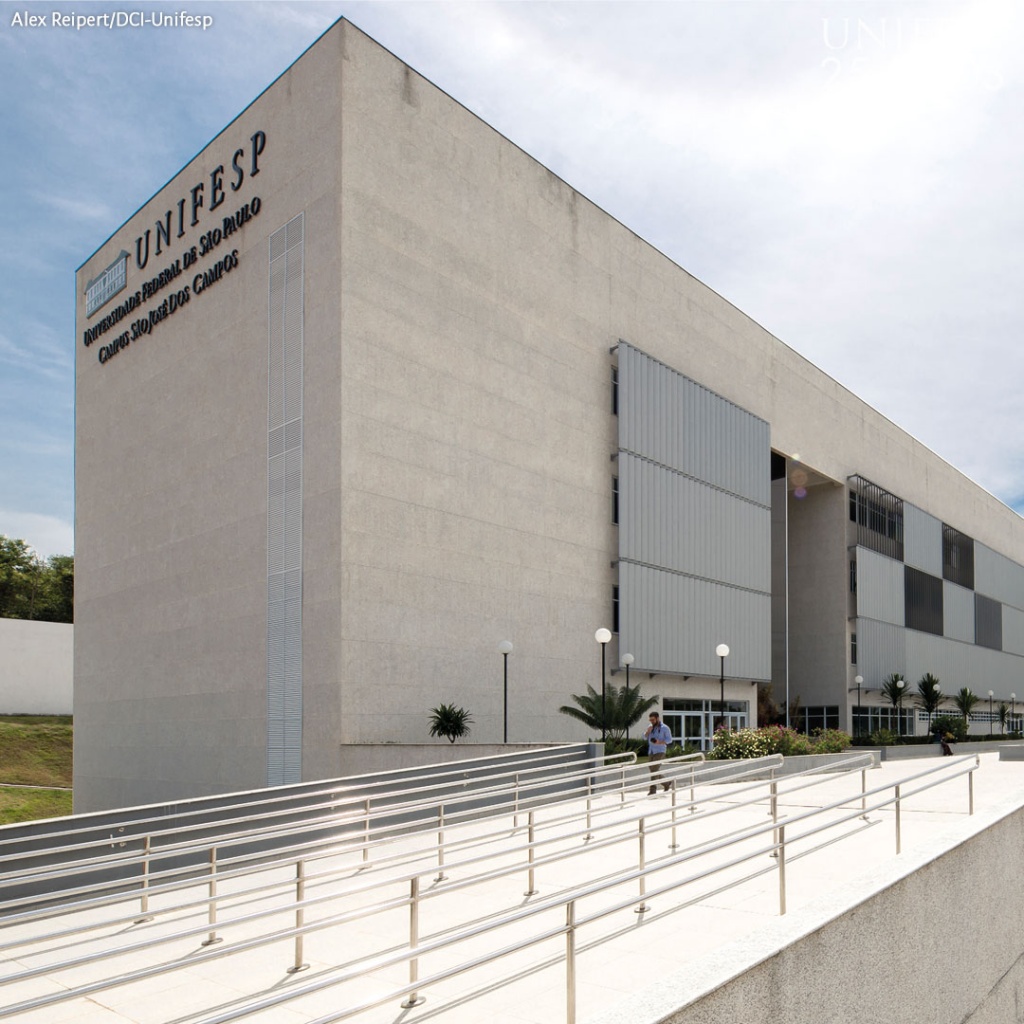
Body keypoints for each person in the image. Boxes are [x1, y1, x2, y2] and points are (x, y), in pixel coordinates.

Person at [644, 711, 673, 795]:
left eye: (653, 720)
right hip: (651, 751)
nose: (651, 722)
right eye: (650, 720)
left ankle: (652, 790)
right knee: (653, 770)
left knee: (654, 770)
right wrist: (647, 732)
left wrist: (659, 742)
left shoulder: (665, 728)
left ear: (657, 718)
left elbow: (669, 740)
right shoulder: (650, 727)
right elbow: (644, 737)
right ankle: (666, 783)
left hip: (660, 751)